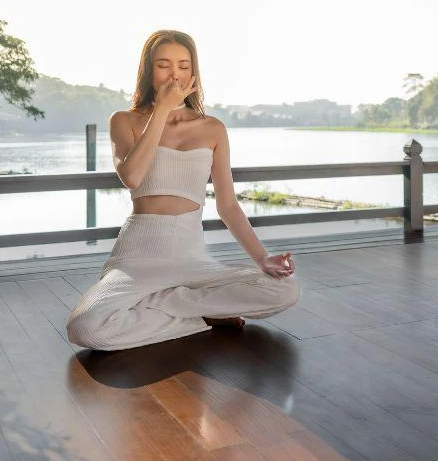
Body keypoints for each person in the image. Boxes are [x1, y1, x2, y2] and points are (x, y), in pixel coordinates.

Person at [66, 29, 300, 351]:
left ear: (194, 72)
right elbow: (132, 177)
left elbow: (228, 205)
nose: (174, 74)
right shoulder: (124, 121)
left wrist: (262, 258)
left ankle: (172, 305)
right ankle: (201, 316)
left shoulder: (213, 128)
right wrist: (161, 111)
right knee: (86, 329)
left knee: (286, 290)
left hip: (190, 257)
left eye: (183, 65)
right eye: (163, 65)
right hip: (137, 256)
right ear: (148, 71)